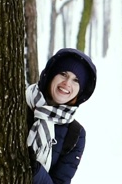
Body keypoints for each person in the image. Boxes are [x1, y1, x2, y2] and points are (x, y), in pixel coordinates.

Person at [26, 48, 97, 184]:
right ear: (51, 75)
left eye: (76, 80)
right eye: (63, 74)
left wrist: (36, 171)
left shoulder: (76, 134)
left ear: (80, 91)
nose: (67, 83)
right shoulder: (21, 104)